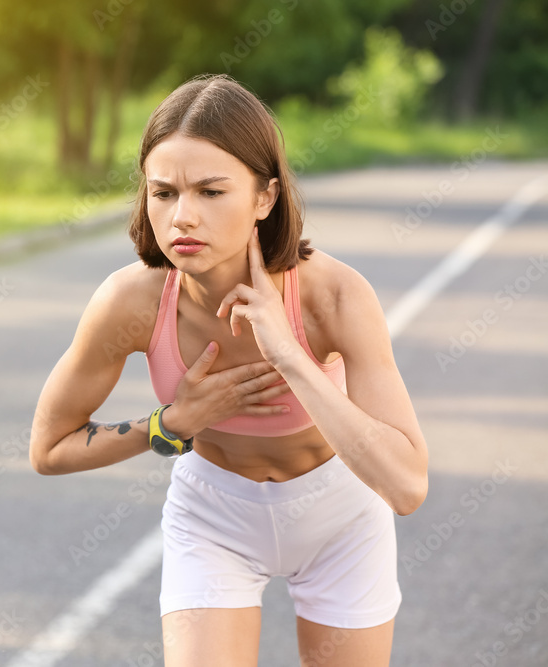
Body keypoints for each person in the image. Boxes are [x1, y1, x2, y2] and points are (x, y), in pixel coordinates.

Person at [28, 73, 429, 666]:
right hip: (214, 516)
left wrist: (291, 356)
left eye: (211, 192)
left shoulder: (335, 297)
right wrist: (170, 425)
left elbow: (406, 485)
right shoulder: (130, 302)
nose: (182, 217)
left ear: (265, 197)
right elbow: (49, 448)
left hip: (340, 518)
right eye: (163, 193)